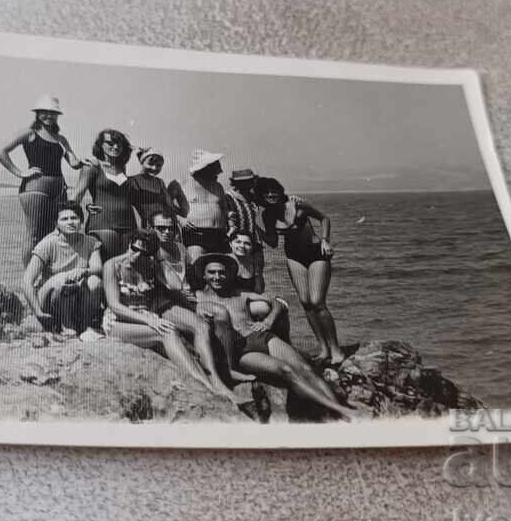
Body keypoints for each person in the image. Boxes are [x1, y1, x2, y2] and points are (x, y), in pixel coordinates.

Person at [194, 254, 358, 421]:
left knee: (305, 368)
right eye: (212, 272)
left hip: (262, 337)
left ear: (228, 274)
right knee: (285, 370)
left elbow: (277, 303)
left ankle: (339, 407)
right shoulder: (198, 298)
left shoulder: (240, 294)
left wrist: (268, 320)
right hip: (241, 351)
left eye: (221, 272)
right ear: (204, 275)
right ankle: (338, 410)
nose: (217, 277)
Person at [101, 229, 241, 404]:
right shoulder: (112, 265)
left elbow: (175, 286)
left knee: (185, 340)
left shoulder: (151, 265)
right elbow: (115, 306)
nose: (136, 255)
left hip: (146, 317)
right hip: (118, 321)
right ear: (128, 245)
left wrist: (158, 262)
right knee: (166, 331)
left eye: (143, 252)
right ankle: (209, 387)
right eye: (133, 249)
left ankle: (217, 382)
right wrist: (149, 320)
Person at [255, 177, 345, 365]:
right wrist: (257, 228)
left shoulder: (297, 205)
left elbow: (324, 218)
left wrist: (325, 240)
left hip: (316, 253)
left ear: (280, 191)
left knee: (318, 302)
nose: (271, 195)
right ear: (262, 197)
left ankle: (336, 350)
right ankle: (323, 349)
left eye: (274, 191)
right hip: (294, 257)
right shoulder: (268, 216)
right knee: (305, 302)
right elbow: (272, 243)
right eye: (266, 193)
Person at [0, 95, 84, 265]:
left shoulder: (61, 139)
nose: (49, 116)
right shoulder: (29, 133)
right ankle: (29, 274)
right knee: (33, 233)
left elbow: (74, 162)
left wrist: (86, 163)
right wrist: (20, 172)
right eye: (44, 112)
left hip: (59, 189)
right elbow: (0, 151)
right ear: (37, 113)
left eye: (52, 113)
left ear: (57, 115)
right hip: (35, 188)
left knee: (53, 231)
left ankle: (45, 271)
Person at [20, 203, 105, 341]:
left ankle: (86, 325)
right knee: (62, 280)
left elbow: (98, 267)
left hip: (76, 299)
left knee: (95, 281)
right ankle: (66, 326)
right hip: (52, 299)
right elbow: (26, 281)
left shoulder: (90, 242)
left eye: (74, 218)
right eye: (64, 219)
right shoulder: (48, 244)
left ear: (81, 221)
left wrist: (83, 271)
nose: (70, 222)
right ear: (57, 224)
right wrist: (38, 312)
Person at [71, 129, 139, 261]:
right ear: (100, 145)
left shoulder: (122, 167)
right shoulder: (92, 166)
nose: (115, 147)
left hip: (129, 224)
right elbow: (77, 196)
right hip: (103, 224)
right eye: (110, 143)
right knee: (106, 267)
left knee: (125, 267)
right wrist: (67, 221)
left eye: (119, 144)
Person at [177, 149, 237, 275]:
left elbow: (226, 209)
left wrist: (231, 226)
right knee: (196, 267)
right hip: (195, 233)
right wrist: (180, 219)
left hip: (220, 234)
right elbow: (166, 205)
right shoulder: (181, 183)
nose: (220, 171)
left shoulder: (218, 186)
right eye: (215, 167)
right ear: (205, 167)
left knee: (221, 269)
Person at [124, 147, 183, 229]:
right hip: (143, 225)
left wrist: (179, 219)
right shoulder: (132, 181)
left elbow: (169, 206)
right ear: (142, 162)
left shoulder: (160, 182)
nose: (154, 168)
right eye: (150, 164)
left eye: (158, 165)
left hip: (162, 224)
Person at [226, 168, 266, 248]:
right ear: (236, 183)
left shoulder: (252, 197)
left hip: (253, 241)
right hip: (236, 243)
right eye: (245, 182)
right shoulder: (228, 197)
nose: (250, 184)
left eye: (250, 181)